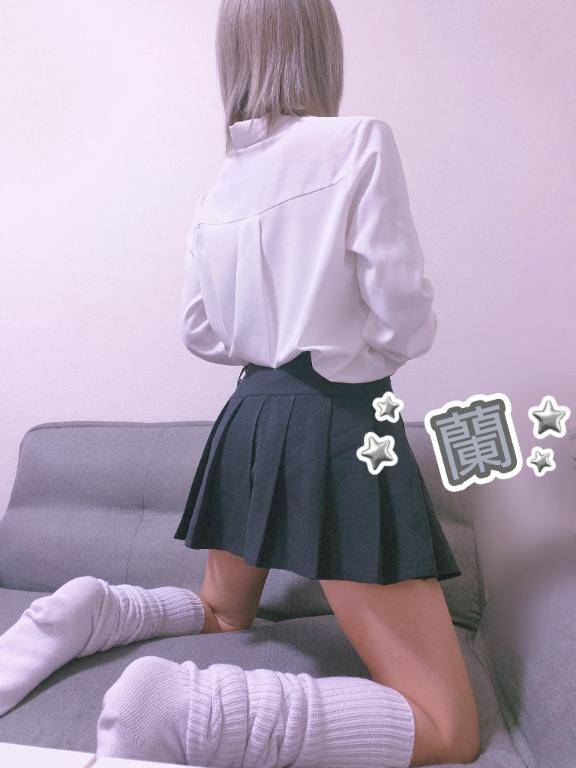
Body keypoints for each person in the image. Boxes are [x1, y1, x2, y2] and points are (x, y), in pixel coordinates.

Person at [0, 1, 480, 766]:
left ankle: (97, 609)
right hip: (336, 415)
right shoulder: (357, 141)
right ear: (321, 46)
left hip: (249, 416)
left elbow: (200, 330)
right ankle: (189, 713)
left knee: (224, 612)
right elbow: (404, 320)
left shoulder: (224, 183)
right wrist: (357, 349)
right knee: (450, 729)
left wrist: (268, 343)